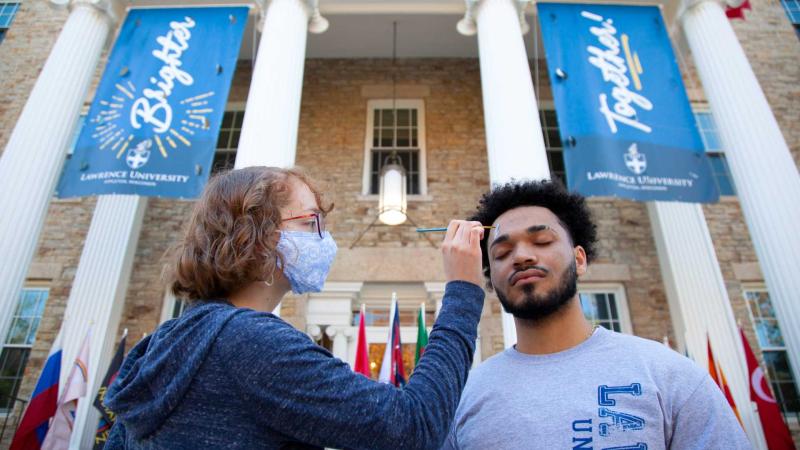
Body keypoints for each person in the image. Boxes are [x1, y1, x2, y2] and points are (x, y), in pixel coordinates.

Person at [104, 166, 487, 450]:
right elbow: (413, 427)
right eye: (311, 223)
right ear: (255, 234)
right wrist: (463, 290)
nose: (325, 239)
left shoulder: (167, 343)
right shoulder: (249, 343)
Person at [442, 180, 751, 450]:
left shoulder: (670, 377)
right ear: (491, 280)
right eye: (502, 253)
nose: (521, 256)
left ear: (579, 259)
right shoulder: (464, 400)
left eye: (541, 241)